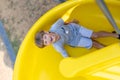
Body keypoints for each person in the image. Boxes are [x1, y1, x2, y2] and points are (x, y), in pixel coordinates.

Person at [35, 18, 120, 57]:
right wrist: (69, 61)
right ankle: (113, 52)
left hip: (75, 28)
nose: (47, 40)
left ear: (46, 32)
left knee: (95, 35)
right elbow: (64, 53)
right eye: (45, 42)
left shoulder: (55, 26)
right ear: (48, 45)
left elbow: (63, 21)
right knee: (93, 43)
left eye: (45, 37)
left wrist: (71, 21)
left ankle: (116, 35)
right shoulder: (57, 46)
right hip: (75, 40)